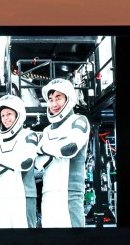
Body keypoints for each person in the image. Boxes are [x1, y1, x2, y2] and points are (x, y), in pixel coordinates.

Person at [35, 78, 91, 228]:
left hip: (69, 193)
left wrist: (42, 148)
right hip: (48, 192)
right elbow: (38, 163)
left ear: (69, 98)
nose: (54, 104)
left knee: (74, 240)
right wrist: (48, 150)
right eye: (50, 99)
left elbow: (69, 148)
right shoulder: (47, 130)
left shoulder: (79, 120)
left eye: (58, 98)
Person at [0, 94, 40, 228]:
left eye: (9, 114)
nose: (5, 118)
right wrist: (12, 159)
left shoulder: (29, 135)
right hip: (0, 195)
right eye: (3, 115)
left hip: (23, 193)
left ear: (18, 114)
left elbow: (25, 162)